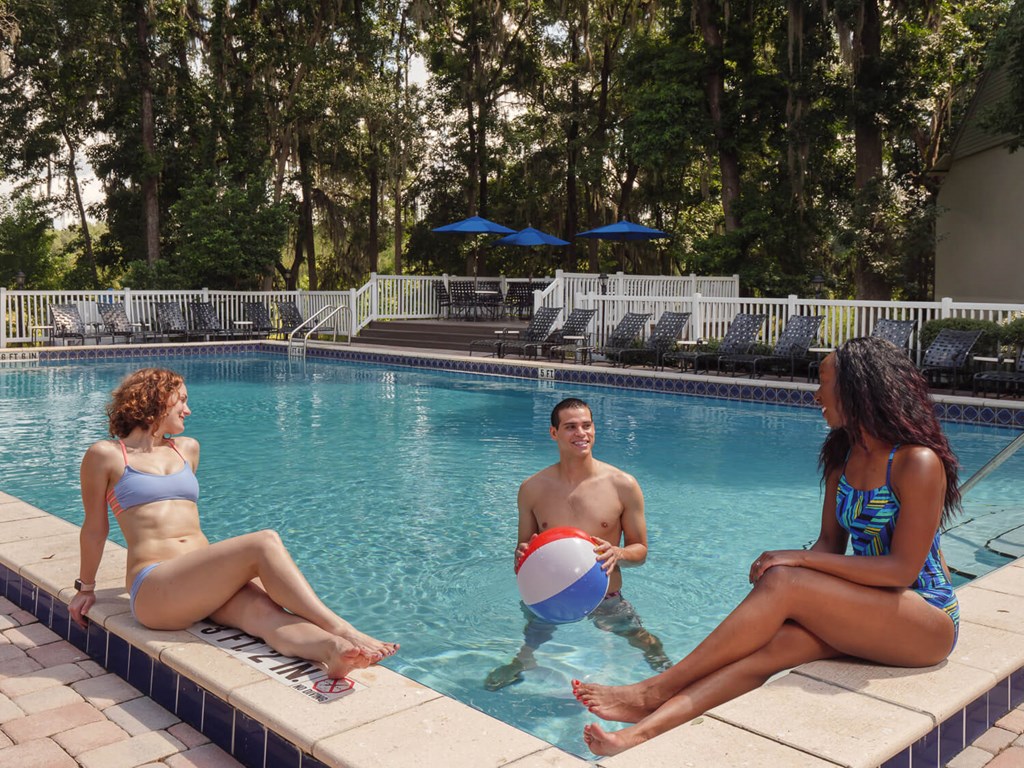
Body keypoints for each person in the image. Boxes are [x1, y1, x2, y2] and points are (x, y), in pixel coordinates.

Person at [573, 337, 962, 755]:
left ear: (857, 388)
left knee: (785, 580)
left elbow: (902, 570)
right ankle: (639, 733)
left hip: (925, 618)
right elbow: (831, 544)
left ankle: (654, 689)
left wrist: (792, 563)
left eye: (824, 383)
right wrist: (793, 575)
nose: (816, 396)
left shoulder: (916, 461)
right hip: (874, 607)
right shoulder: (843, 456)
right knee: (766, 651)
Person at [70, 367, 397, 679]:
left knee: (267, 617)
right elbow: (96, 528)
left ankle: (334, 651)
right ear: (156, 398)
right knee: (263, 542)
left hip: (202, 582)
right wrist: (86, 588)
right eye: (182, 400)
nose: (188, 410)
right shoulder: (107, 455)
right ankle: (340, 627)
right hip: (156, 588)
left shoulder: (187, 449)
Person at [485, 397, 670, 691]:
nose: (581, 433)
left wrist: (617, 552)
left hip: (606, 597)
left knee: (642, 640)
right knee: (531, 640)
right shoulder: (532, 489)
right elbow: (520, 556)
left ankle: (667, 671)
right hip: (549, 598)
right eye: (570, 427)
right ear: (553, 433)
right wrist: (521, 555)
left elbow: (641, 552)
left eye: (586, 425)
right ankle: (522, 663)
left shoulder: (623, 485)